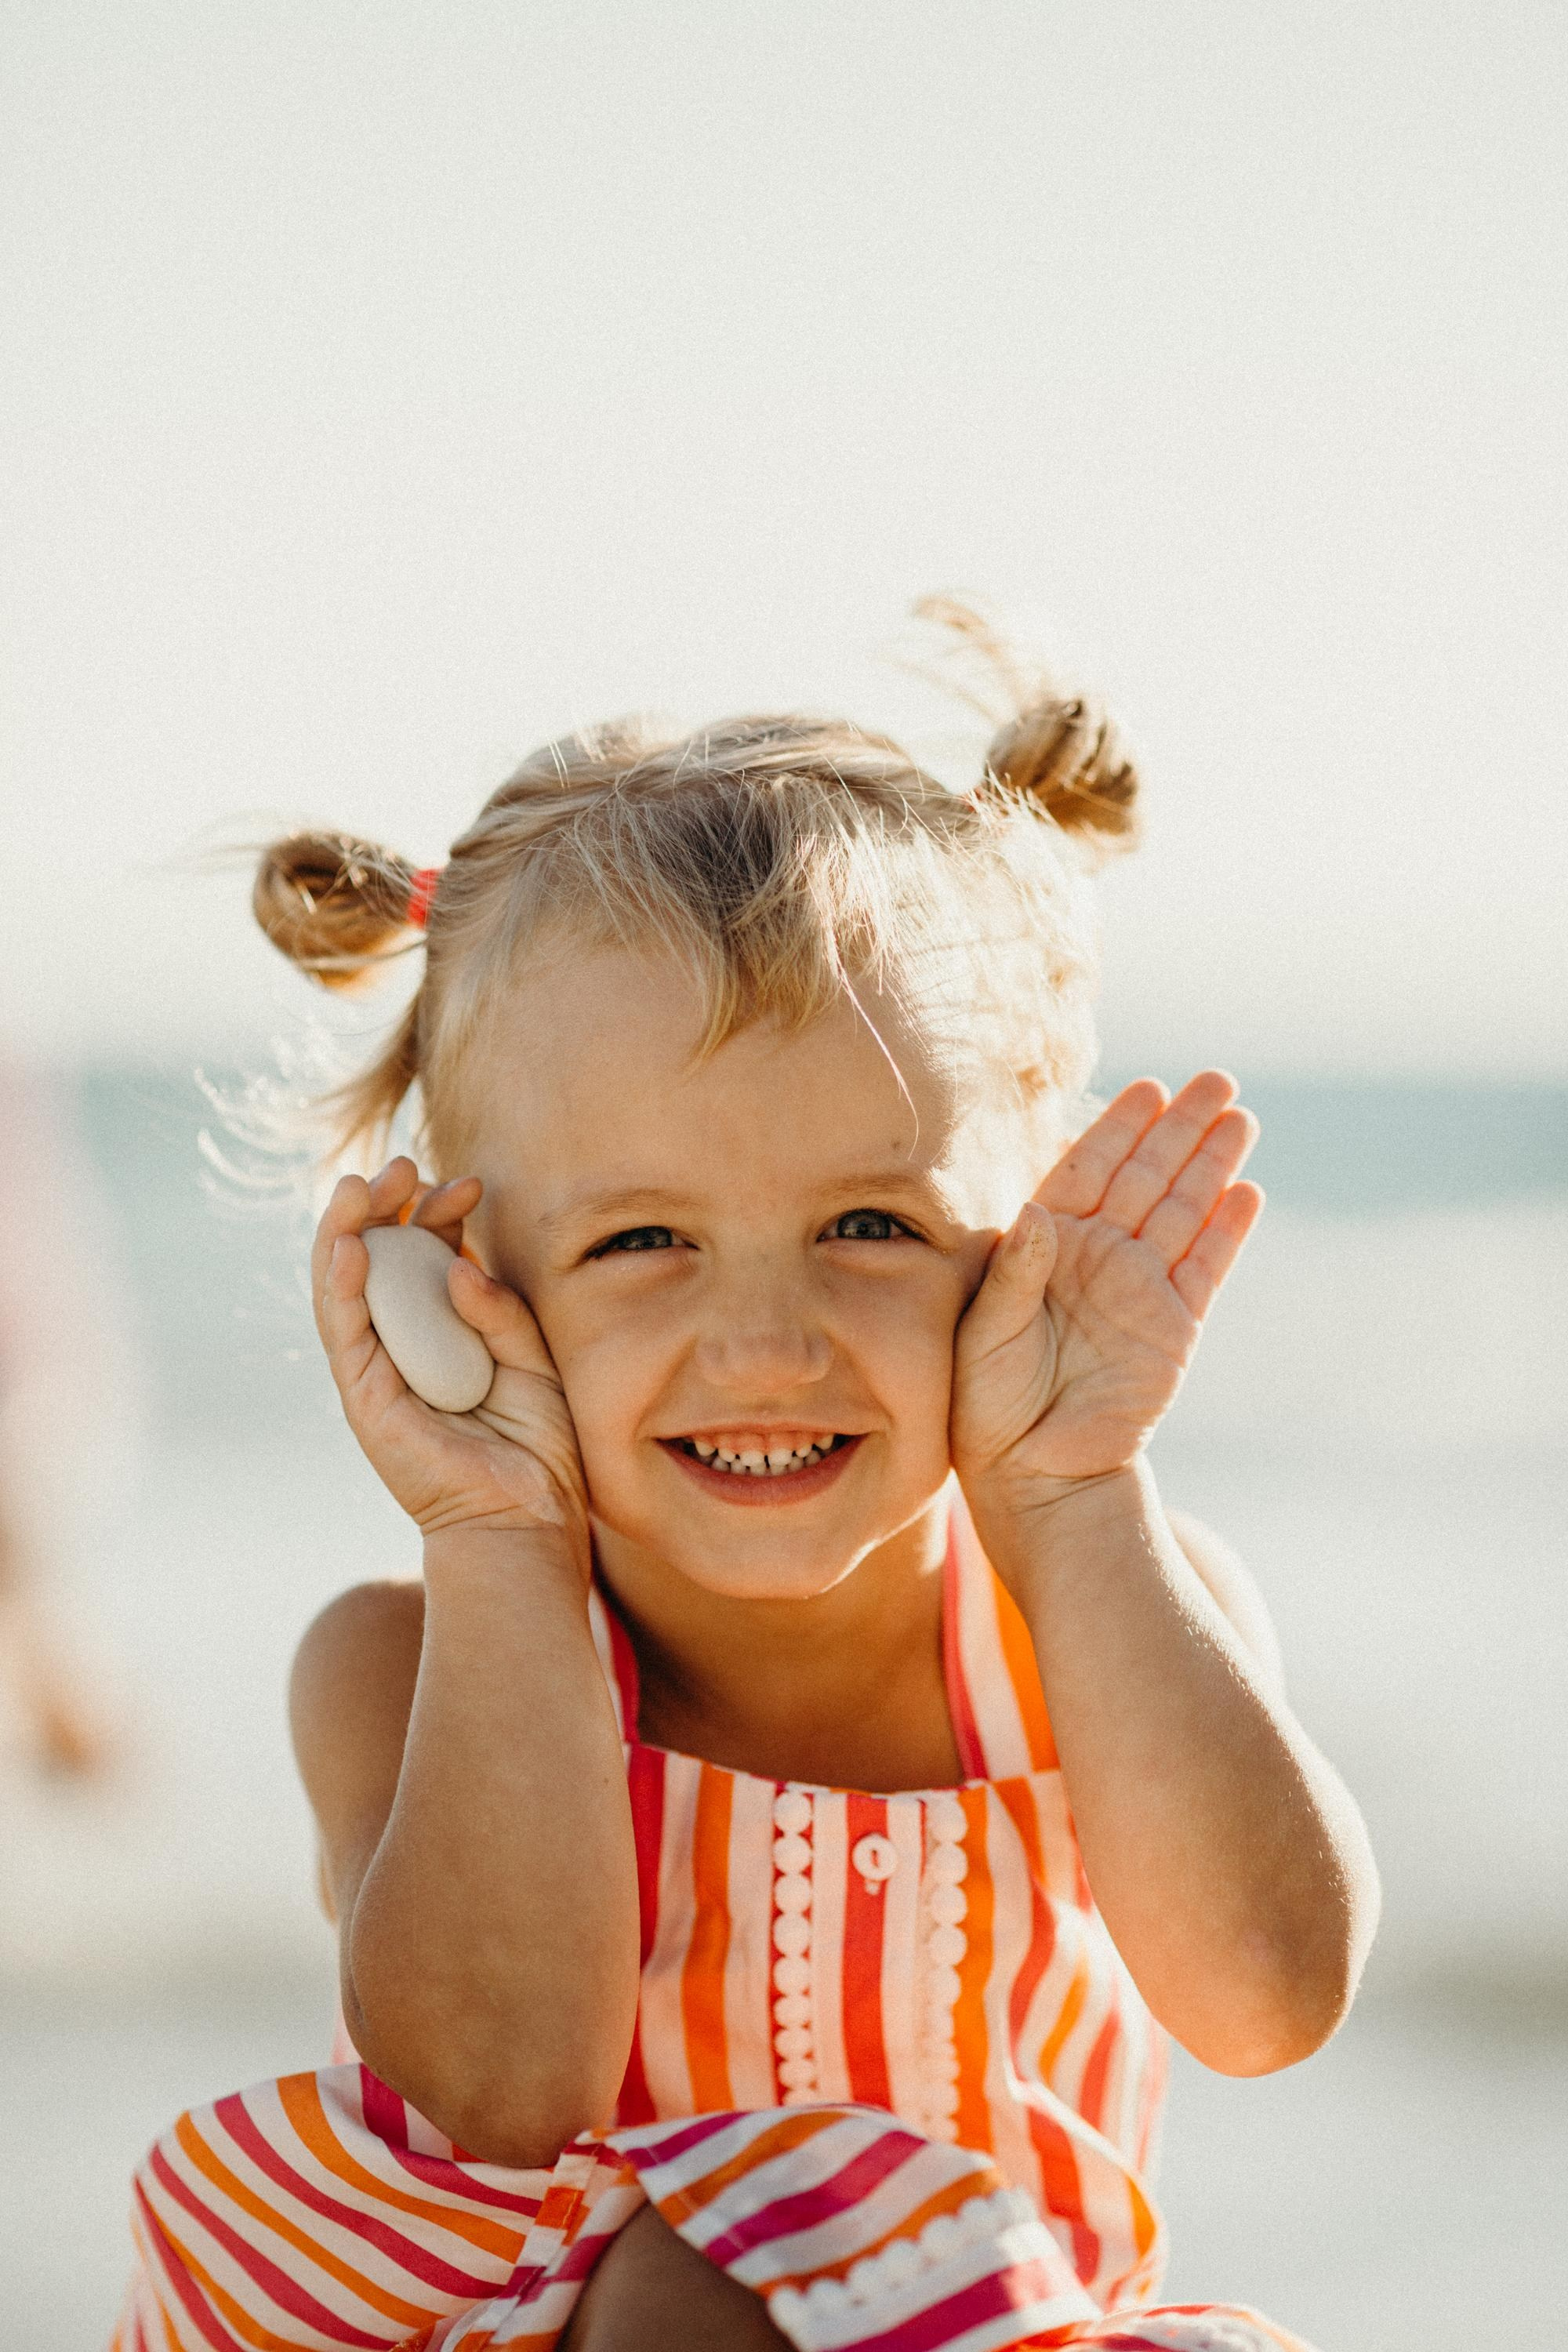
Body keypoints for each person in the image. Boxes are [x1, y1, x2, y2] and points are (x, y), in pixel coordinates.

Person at [114, 607, 1378, 2352]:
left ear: (1018, 1229)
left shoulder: (1094, 1619)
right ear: (468, 1271)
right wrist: (493, 1535)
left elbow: (1264, 2001)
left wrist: (1079, 1502)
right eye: (643, 1240)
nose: (767, 1343)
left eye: (870, 1225)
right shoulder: (400, 1667)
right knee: (695, 2274)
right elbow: (499, 2086)